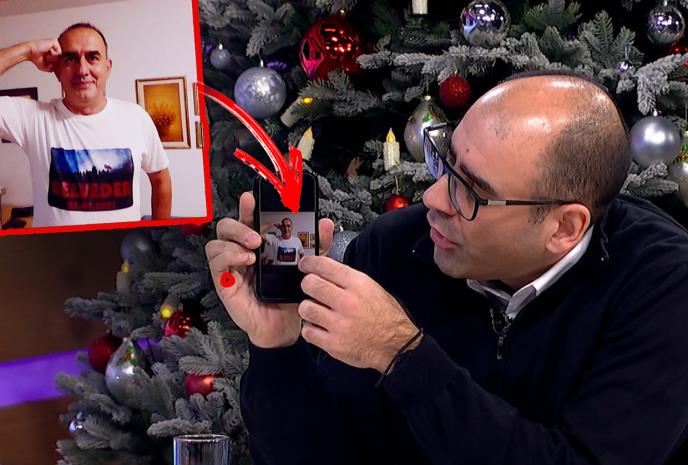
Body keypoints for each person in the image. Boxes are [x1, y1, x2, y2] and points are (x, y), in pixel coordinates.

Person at [205, 72, 688, 465]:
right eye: (445, 161)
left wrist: (404, 355)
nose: (434, 198)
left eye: (470, 191)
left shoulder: (665, 286)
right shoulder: (396, 246)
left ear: (564, 227)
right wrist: (276, 346)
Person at [0, 23, 171, 227]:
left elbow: (160, 178)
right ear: (57, 71)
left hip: (125, 247)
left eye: (93, 57)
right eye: (70, 59)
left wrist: (160, 235)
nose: (82, 70)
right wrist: (27, 50)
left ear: (107, 67)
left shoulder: (137, 118)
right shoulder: (33, 118)